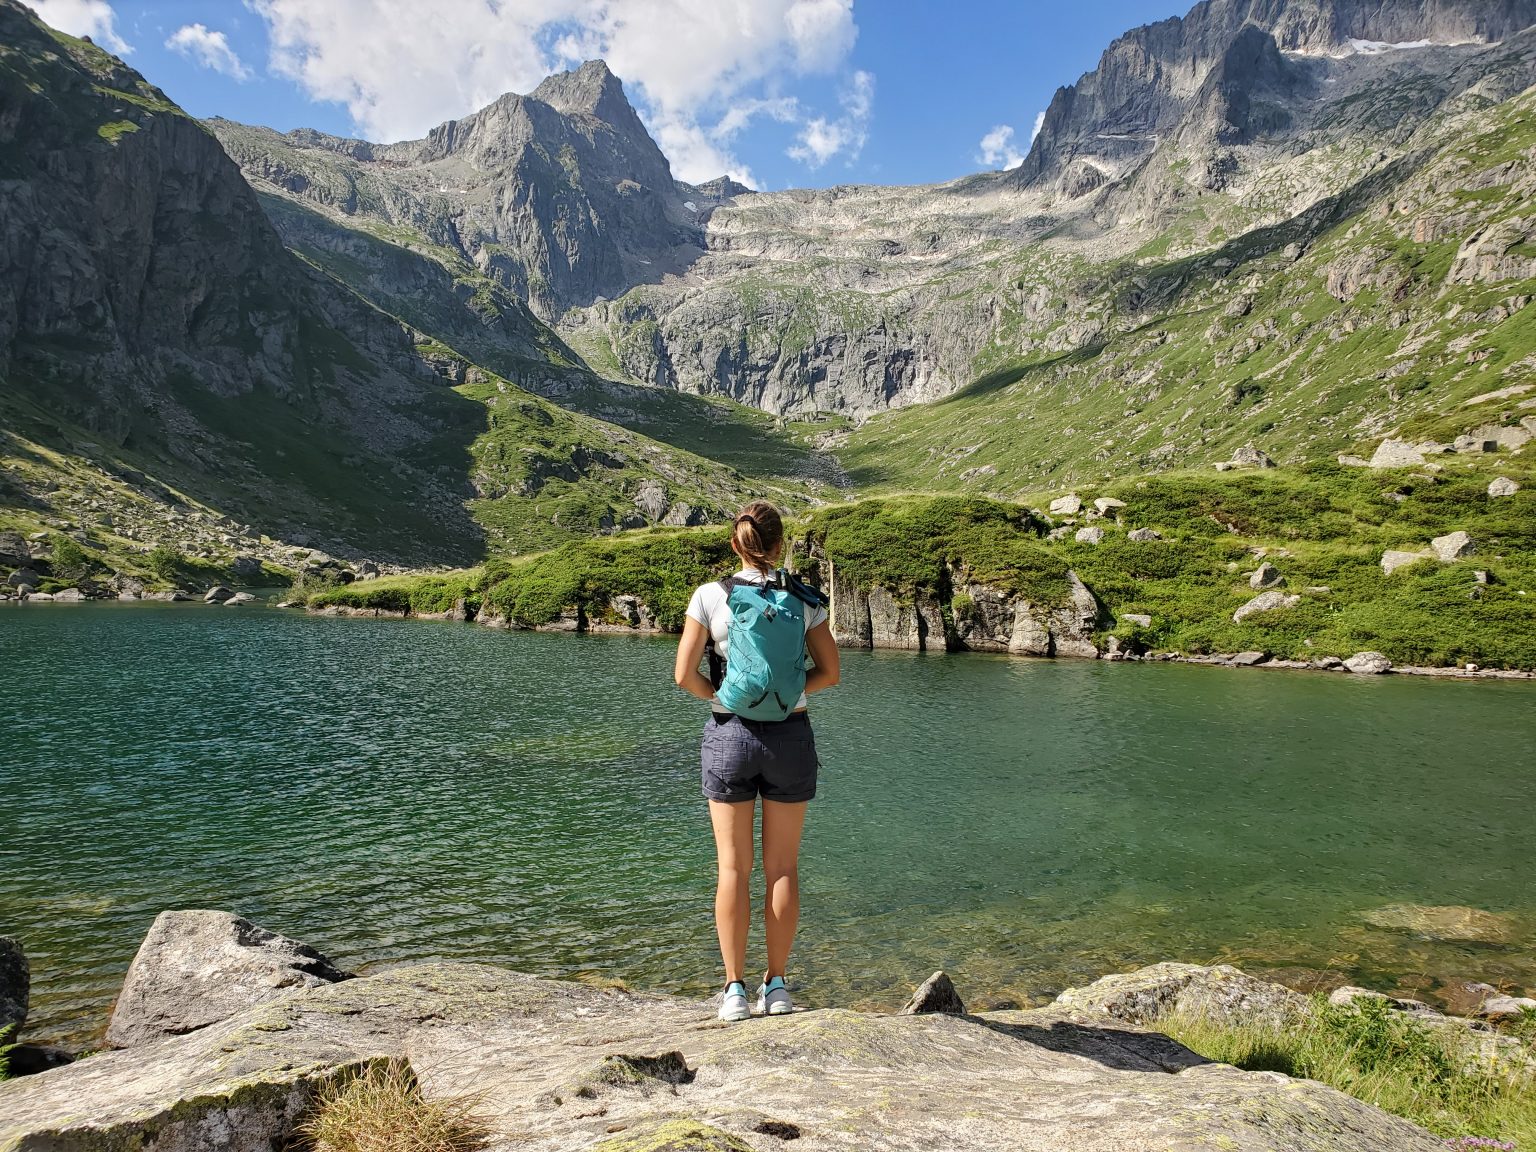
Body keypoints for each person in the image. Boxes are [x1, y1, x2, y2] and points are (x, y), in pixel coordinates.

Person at [673, 501, 841, 1022]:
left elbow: (683, 676)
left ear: (735, 543)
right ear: (779, 544)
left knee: (732, 868)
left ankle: (734, 991)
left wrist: (725, 697)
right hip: (790, 737)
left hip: (730, 735)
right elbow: (830, 672)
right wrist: (786, 695)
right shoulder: (804, 599)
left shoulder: (709, 595)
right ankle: (779, 987)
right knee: (782, 868)